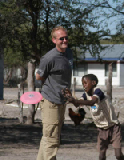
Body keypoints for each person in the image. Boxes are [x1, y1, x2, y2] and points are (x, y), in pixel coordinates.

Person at [63, 74, 124, 160]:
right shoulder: (85, 95)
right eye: (83, 84)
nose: (84, 85)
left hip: (113, 127)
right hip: (101, 129)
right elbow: (78, 104)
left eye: (85, 83)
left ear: (93, 83)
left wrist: (75, 100)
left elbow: (92, 102)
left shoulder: (98, 92)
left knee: (118, 155)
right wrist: (70, 98)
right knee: (101, 156)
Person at [36, 26, 73, 160]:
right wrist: (52, 87)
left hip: (61, 101)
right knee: (51, 139)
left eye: (66, 38)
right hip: (51, 101)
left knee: (49, 137)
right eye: (61, 38)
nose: (64, 40)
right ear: (54, 40)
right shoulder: (49, 58)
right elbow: (38, 76)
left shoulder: (69, 53)